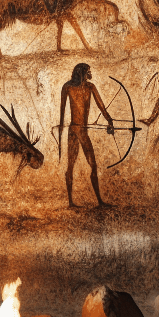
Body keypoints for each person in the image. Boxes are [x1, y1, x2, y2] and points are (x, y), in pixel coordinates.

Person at [58, 62, 115, 208]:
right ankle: (71, 202)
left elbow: (101, 106)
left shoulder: (90, 87)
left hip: (81, 131)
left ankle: (99, 201)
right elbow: (62, 112)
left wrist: (109, 120)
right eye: (88, 71)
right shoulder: (67, 87)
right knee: (71, 165)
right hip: (75, 131)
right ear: (82, 72)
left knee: (93, 165)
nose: (90, 74)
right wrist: (59, 133)